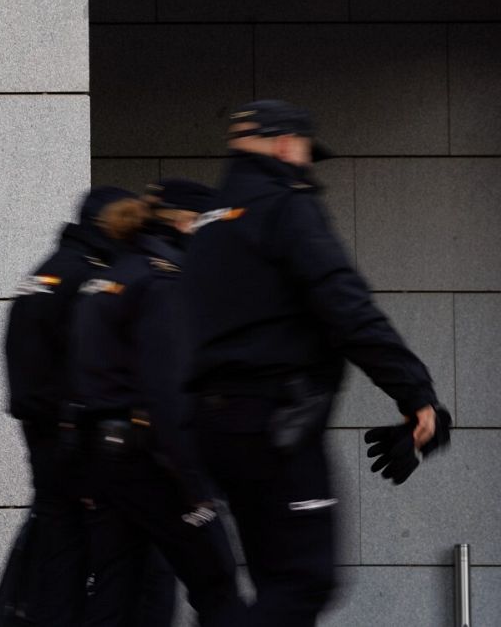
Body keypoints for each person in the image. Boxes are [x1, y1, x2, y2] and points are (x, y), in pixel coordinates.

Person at [184, 101, 452, 626]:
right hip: (276, 427)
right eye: (306, 152)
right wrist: (415, 393)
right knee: (306, 580)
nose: (306, 165)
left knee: (275, 583)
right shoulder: (286, 207)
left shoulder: (208, 224)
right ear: (287, 144)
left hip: (217, 427)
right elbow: (346, 307)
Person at [70, 180, 244, 627]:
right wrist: (195, 485)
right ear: (187, 223)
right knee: (218, 585)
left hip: (105, 464)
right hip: (152, 464)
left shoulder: (111, 277)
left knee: (115, 598)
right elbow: (168, 392)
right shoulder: (163, 281)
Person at [0, 186, 174, 627]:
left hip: (45, 440)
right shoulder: (90, 278)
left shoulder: (46, 272)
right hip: (78, 444)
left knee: (58, 564)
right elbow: (90, 364)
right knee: (123, 569)